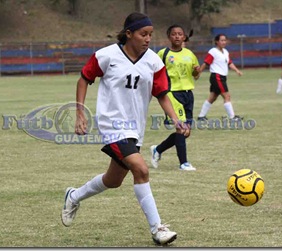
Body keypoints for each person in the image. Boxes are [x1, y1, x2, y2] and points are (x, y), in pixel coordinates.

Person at [61, 12, 186, 245]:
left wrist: (176, 120)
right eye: (143, 34)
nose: (148, 39)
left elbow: (161, 94)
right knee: (142, 170)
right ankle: (157, 229)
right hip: (112, 125)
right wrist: (80, 112)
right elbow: (83, 79)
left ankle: (74, 195)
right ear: (129, 34)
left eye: (150, 34)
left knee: (114, 180)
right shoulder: (106, 55)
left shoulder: (154, 62)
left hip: (135, 129)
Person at [150, 24, 200, 171]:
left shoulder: (190, 54)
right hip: (172, 93)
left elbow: (195, 76)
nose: (177, 36)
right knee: (180, 129)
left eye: (180, 34)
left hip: (188, 95)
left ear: (184, 37)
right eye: (174, 34)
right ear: (169, 37)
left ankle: (157, 150)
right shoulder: (162, 54)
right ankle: (183, 163)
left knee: (186, 132)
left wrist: (197, 72)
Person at [196, 34, 242, 121]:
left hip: (222, 77)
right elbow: (206, 63)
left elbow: (229, 63)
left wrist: (236, 70)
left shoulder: (225, 52)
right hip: (217, 77)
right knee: (227, 96)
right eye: (222, 40)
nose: (224, 42)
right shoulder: (213, 51)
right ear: (217, 41)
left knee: (212, 97)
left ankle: (201, 116)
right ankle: (232, 117)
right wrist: (199, 73)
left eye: (225, 40)